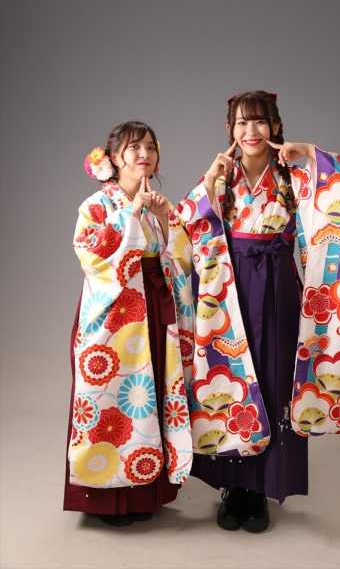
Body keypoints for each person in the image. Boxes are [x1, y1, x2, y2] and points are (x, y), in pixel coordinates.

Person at [176, 90, 340, 533]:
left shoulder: (294, 175)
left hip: (279, 284)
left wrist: (312, 154)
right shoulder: (222, 179)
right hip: (228, 288)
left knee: (273, 378)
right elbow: (184, 224)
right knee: (231, 374)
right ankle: (233, 487)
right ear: (230, 130)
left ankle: (262, 488)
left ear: (276, 127)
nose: (252, 131)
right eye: (242, 123)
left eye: (260, 122)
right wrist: (209, 178)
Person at [64, 121, 195, 526]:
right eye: (134, 147)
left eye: (150, 147)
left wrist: (166, 219)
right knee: (117, 398)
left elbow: (183, 259)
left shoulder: (158, 204)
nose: (144, 154)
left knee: (152, 394)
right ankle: (108, 497)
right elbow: (91, 256)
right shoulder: (97, 205)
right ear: (114, 158)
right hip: (115, 315)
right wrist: (130, 214)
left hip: (154, 307)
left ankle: (147, 493)